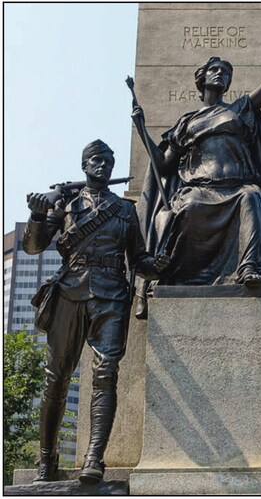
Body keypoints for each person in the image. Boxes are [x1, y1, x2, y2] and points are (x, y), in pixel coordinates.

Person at [131, 7, 261, 297]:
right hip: (200, 189)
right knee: (185, 209)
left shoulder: (240, 109)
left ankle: (249, 268)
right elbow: (162, 164)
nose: (221, 75)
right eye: (216, 70)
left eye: (226, 73)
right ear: (202, 80)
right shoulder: (187, 121)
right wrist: (142, 130)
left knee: (253, 197)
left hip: (238, 186)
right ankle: (174, 274)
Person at [23, 139, 170, 484]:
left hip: (112, 294)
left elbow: (137, 260)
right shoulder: (67, 204)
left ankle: (94, 458)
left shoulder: (125, 210)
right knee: (56, 378)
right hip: (69, 291)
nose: (103, 165)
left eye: (108, 160)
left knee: (106, 375)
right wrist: (37, 214)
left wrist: (159, 265)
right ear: (84, 165)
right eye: (96, 160)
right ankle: (47, 459)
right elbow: (33, 247)